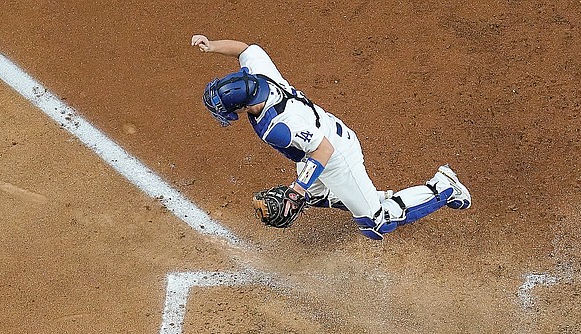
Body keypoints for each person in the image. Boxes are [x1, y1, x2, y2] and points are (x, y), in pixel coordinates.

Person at [192, 35, 472, 239]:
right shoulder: (261, 77)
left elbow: (322, 151)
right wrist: (212, 45)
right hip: (321, 132)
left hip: (336, 155)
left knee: (376, 224)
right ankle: (369, 197)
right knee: (310, 196)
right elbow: (246, 49)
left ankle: (444, 187)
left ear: (242, 105)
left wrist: (297, 188)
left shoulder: (278, 128)